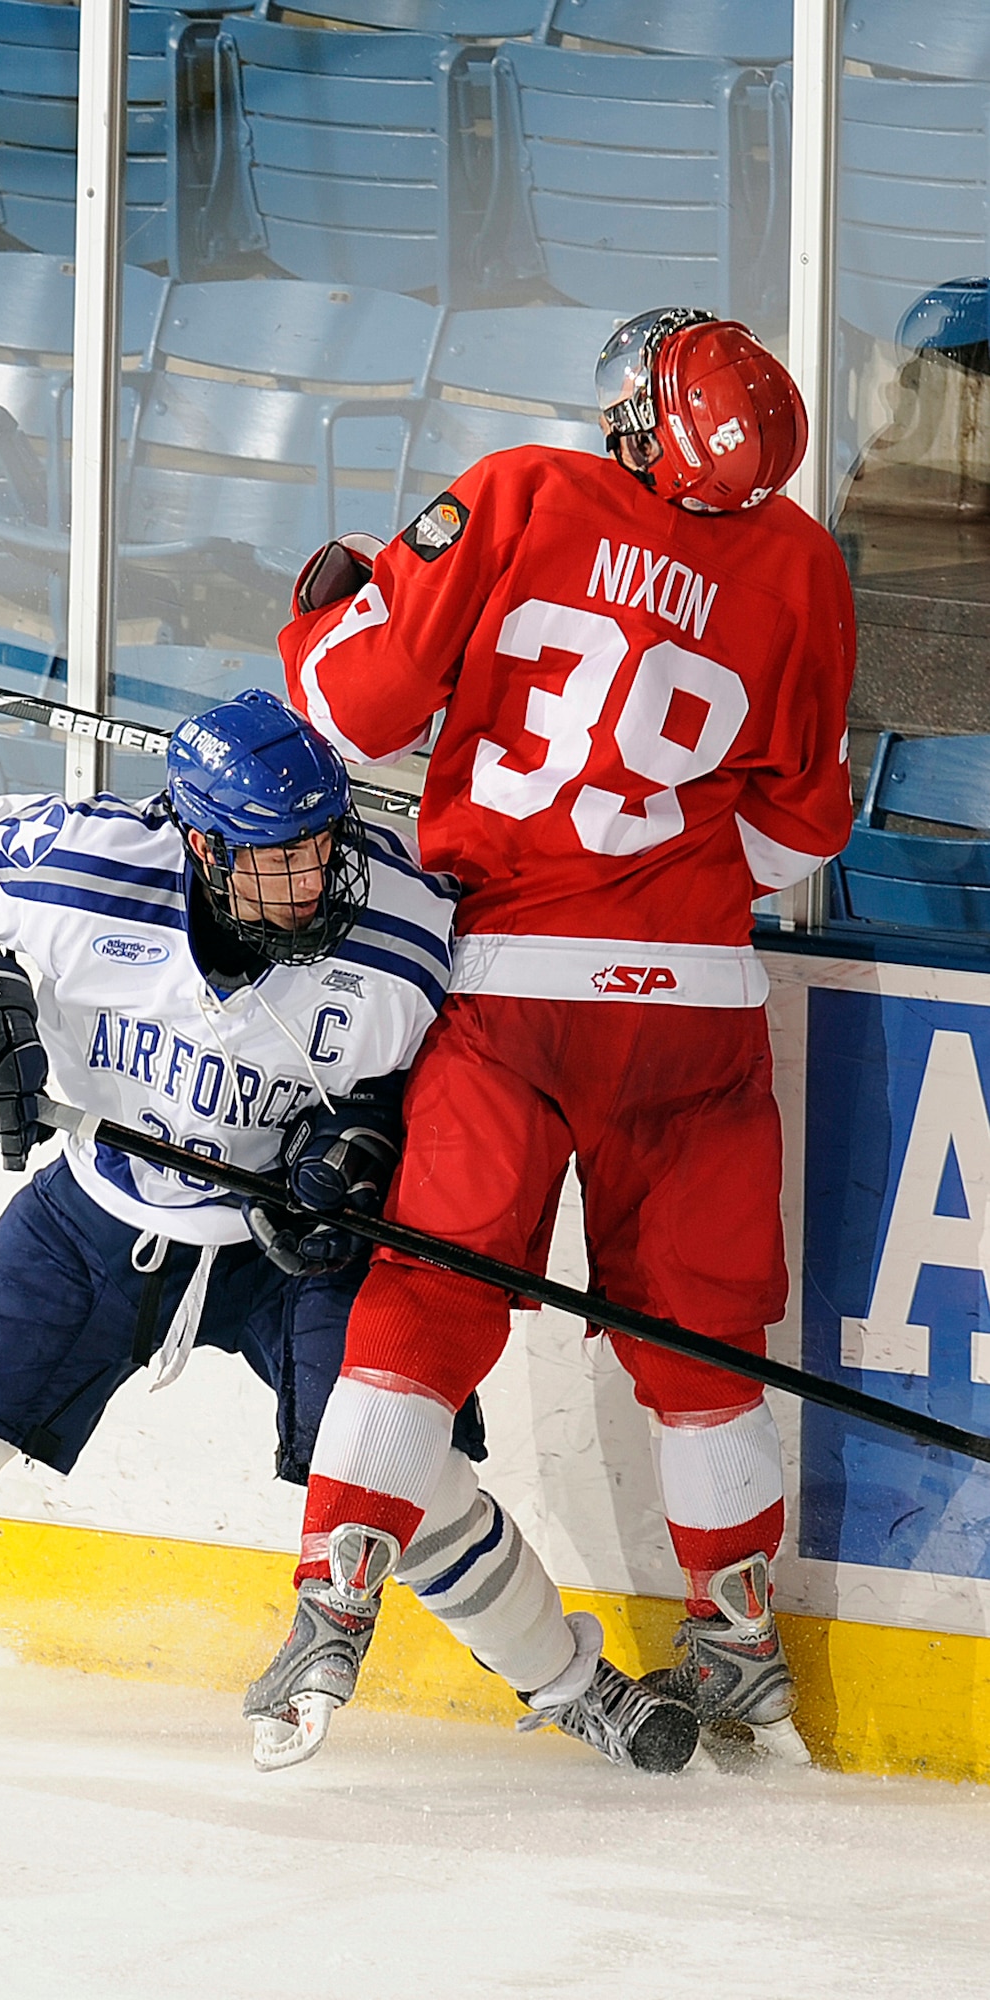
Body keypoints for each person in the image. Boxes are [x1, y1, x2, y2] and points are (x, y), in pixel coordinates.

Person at [0, 688, 697, 1775]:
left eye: (324, 845)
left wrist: (355, 1150)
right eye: (279, 859)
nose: (314, 879)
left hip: (292, 1257)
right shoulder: (86, 866)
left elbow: (438, 1085)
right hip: (99, 1211)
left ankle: (572, 1683)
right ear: (204, 844)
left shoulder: (408, 925)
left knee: (411, 1478)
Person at [250, 307, 857, 1766]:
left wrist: (323, 605)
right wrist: (669, 884)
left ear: (644, 425)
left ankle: (334, 1606)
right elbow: (791, 825)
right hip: (698, 1008)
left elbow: (347, 705)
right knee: (707, 1337)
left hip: (513, 988)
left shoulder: (522, 491)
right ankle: (741, 1641)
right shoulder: (802, 564)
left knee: (424, 1301)